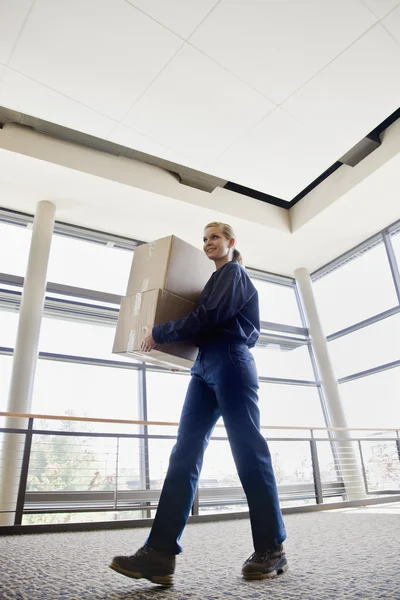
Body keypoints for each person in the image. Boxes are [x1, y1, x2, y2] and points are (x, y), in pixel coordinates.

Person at [109, 222, 287, 585]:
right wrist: (182, 352)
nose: (208, 243)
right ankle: (159, 553)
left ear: (230, 243)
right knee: (184, 453)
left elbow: (208, 319)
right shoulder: (213, 281)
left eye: (215, 237)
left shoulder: (233, 273)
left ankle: (272, 548)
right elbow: (202, 326)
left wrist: (159, 334)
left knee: (248, 452)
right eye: (205, 239)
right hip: (204, 366)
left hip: (231, 362)